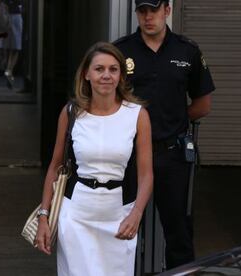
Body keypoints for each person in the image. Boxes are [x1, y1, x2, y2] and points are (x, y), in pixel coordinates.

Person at [35, 42, 153, 276]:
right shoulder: (71, 113)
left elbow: (146, 174)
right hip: (77, 215)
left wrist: (136, 214)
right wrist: (44, 217)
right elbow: (55, 167)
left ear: (121, 76)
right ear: (86, 74)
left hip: (119, 216)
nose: (106, 75)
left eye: (113, 69)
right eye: (99, 69)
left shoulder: (137, 115)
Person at [114, 0, 215, 269]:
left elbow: (202, 105)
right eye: (142, 11)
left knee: (178, 232)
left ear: (167, 11)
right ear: (136, 12)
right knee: (122, 226)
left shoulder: (187, 51)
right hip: (129, 157)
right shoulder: (120, 51)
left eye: (154, 10)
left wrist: (175, 121)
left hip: (171, 155)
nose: (148, 17)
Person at [0, 0, 22, 89]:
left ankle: (5, 61)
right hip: (15, 16)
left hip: (4, 16)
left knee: (4, 44)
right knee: (15, 47)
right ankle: (9, 69)